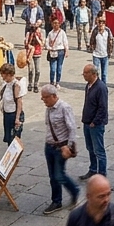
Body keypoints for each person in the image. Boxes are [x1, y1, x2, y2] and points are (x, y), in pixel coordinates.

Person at [40, 84, 80, 214]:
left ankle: (75, 190)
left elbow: (72, 128)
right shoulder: (49, 108)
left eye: (45, 97)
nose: (43, 100)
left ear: (54, 96)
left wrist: (68, 147)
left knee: (59, 174)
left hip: (60, 148)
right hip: (49, 146)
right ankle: (56, 201)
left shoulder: (64, 107)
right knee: (52, 176)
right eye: (42, 98)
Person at [80, 63, 108, 180]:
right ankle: (92, 169)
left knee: (99, 150)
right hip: (87, 122)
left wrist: (95, 122)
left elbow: (103, 107)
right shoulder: (88, 85)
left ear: (93, 74)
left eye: (86, 73)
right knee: (90, 148)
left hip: (95, 124)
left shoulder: (101, 87)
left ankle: (101, 174)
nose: (84, 75)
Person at [0, 63, 27, 146]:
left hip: (13, 115)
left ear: (9, 75)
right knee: (9, 137)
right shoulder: (6, 84)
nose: (3, 78)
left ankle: (14, 156)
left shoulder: (16, 85)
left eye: (4, 76)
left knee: (14, 139)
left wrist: (17, 119)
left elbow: (19, 103)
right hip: (7, 114)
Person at [45, 18, 68, 89]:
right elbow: (46, 42)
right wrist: (49, 48)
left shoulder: (62, 33)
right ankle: (52, 81)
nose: (56, 25)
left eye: (57, 23)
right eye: (54, 23)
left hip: (60, 51)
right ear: (52, 24)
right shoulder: (50, 33)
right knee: (53, 69)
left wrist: (66, 51)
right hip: (52, 52)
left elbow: (65, 42)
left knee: (59, 68)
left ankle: (57, 82)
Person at [90, 17, 112, 84]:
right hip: (96, 55)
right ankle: (96, 86)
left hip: (105, 55)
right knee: (96, 73)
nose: (101, 26)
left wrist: (110, 51)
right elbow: (91, 41)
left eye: (102, 24)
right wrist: (93, 48)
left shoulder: (107, 31)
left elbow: (111, 41)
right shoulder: (95, 31)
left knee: (104, 74)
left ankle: (103, 86)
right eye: (99, 24)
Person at [25, 22, 45, 93]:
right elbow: (26, 44)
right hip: (30, 53)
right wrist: (29, 47)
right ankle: (30, 83)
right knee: (30, 69)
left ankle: (36, 84)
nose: (36, 30)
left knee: (38, 70)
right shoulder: (28, 34)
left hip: (37, 53)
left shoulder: (40, 34)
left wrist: (37, 37)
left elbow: (42, 44)